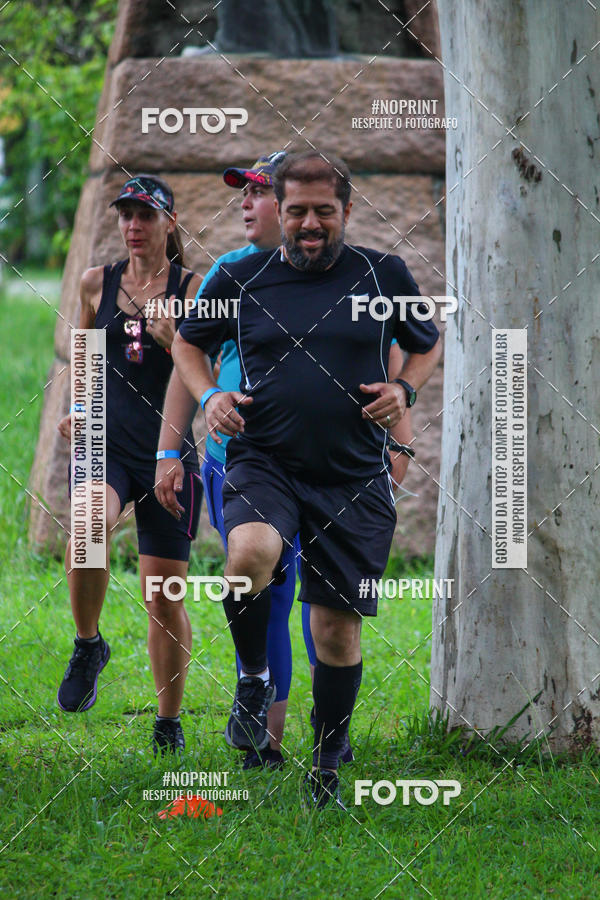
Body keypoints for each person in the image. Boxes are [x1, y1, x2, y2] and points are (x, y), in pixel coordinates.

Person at [173, 151, 441, 808]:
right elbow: (187, 343)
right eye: (297, 211)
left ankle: (326, 760)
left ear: (346, 210)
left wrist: (404, 388)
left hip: (352, 475)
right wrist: (210, 396)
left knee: (335, 634)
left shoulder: (384, 273)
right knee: (248, 559)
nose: (311, 223)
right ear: (281, 212)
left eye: (324, 211)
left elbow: (427, 340)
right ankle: (255, 678)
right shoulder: (242, 276)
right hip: (265, 459)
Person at [56, 174, 203, 756]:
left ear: (170, 222)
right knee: (87, 528)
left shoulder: (196, 289)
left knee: (162, 595)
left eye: (146, 215)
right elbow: (86, 357)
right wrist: (77, 410)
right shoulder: (97, 283)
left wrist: (174, 342)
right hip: (106, 444)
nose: (133, 226)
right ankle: (88, 643)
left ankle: (168, 720)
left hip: (168, 452)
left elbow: (207, 375)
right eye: (126, 215)